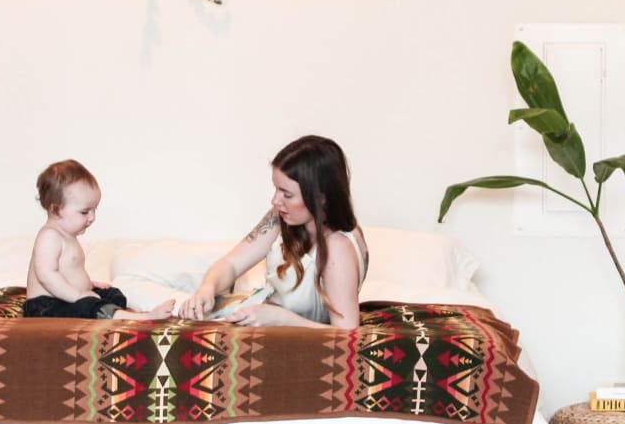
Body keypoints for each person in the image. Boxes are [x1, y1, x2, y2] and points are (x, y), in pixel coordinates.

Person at [179, 135, 369, 328]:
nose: (275, 200)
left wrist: (281, 319)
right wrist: (207, 288)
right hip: (254, 310)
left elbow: (347, 335)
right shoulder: (281, 216)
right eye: (276, 189)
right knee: (174, 312)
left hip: (287, 337)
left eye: (287, 194)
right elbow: (231, 264)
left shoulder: (338, 246)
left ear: (321, 198)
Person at [24, 159, 175, 320]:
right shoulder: (49, 236)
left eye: (94, 210)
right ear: (55, 210)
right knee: (88, 305)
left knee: (113, 295)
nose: (92, 218)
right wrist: (78, 295)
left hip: (66, 296)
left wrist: (89, 284)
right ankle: (143, 318)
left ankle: (112, 313)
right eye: (84, 212)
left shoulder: (68, 236)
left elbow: (70, 271)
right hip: (45, 306)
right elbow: (47, 276)